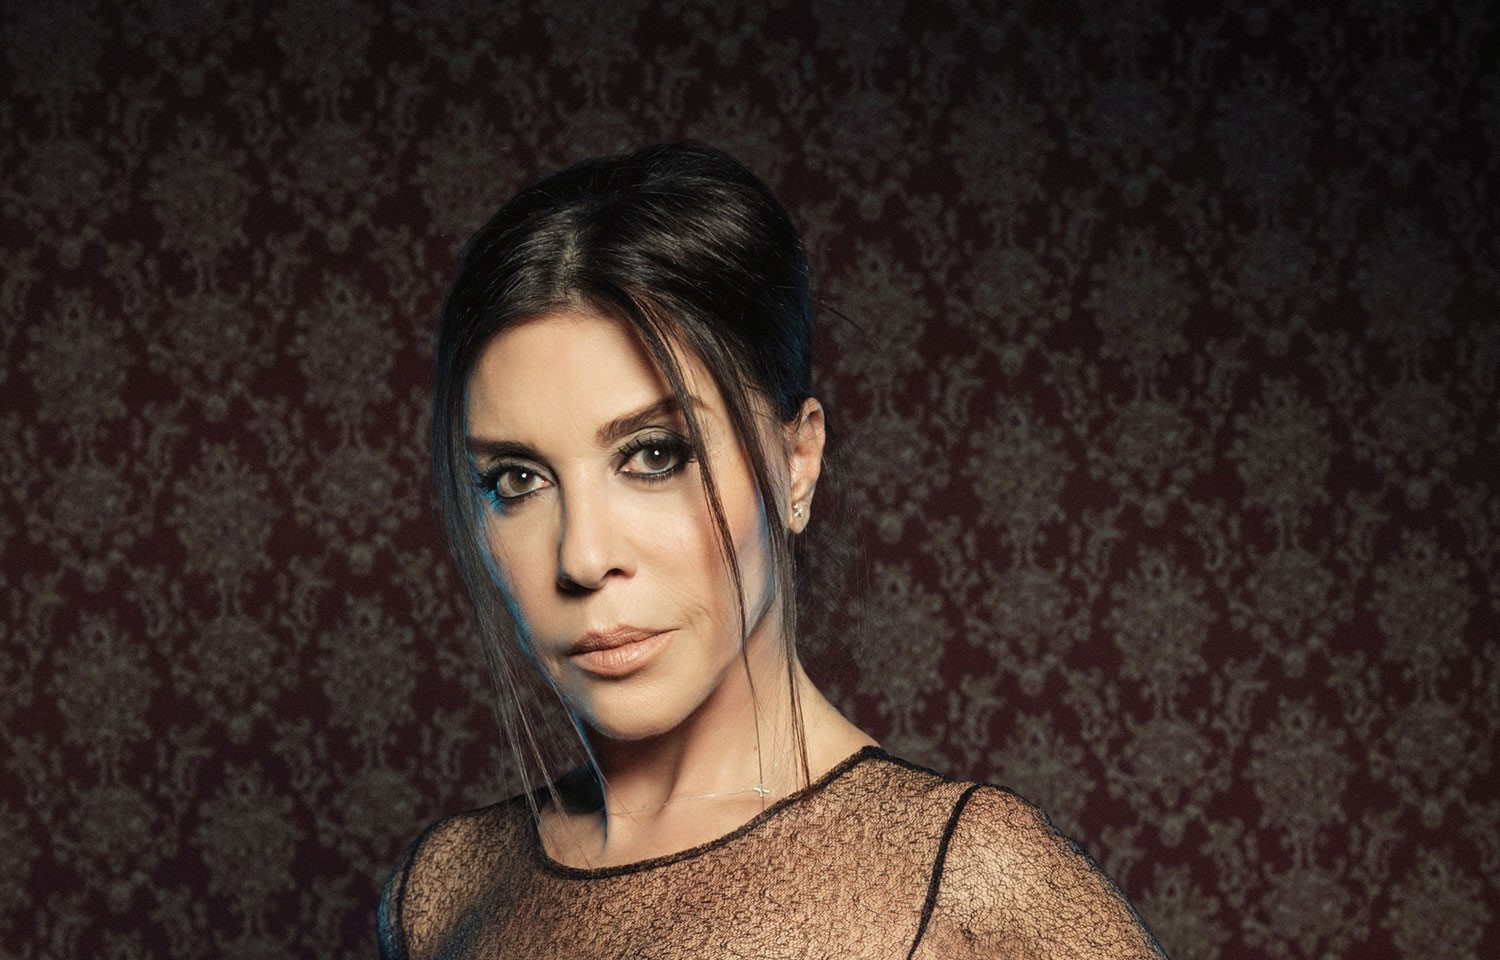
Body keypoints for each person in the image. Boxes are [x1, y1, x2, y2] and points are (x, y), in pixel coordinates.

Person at [378, 142, 1166, 958]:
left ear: (797, 462)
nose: (581, 557)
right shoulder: (446, 891)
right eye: (516, 479)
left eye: (656, 454)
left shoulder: (971, 887)